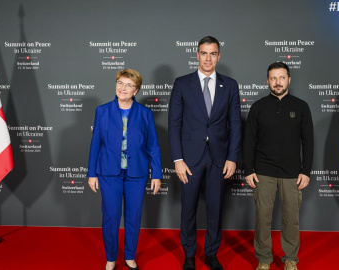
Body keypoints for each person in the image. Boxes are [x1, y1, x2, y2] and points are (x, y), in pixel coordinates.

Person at [168, 36, 242, 270]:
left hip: (219, 158)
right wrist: (178, 159)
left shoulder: (230, 85)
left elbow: (236, 125)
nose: (208, 58)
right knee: (188, 207)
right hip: (189, 158)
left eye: (212, 53)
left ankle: (211, 253)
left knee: (215, 208)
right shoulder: (182, 83)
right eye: (203, 53)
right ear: (197, 55)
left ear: (219, 56)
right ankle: (189, 254)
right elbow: (174, 124)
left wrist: (232, 157)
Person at [87, 69, 162, 270]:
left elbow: (153, 145)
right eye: (120, 83)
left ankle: (129, 256)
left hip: (136, 174)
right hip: (109, 173)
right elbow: (96, 144)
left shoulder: (145, 113)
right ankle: (111, 257)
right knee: (111, 216)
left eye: (129, 85)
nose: (123, 88)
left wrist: (156, 173)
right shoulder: (102, 111)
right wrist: (91, 173)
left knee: (134, 216)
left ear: (136, 90)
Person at [243, 62, 314, 270]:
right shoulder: (258, 107)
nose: (277, 82)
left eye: (281, 78)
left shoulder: (301, 106)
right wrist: (248, 170)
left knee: (291, 220)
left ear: (289, 80)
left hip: (292, 174)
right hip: (262, 172)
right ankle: (264, 259)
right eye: (273, 78)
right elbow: (249, 141)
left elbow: (308, 141)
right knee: (262, 219)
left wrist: (306, 171)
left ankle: (290, 258)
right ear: (267, 81)